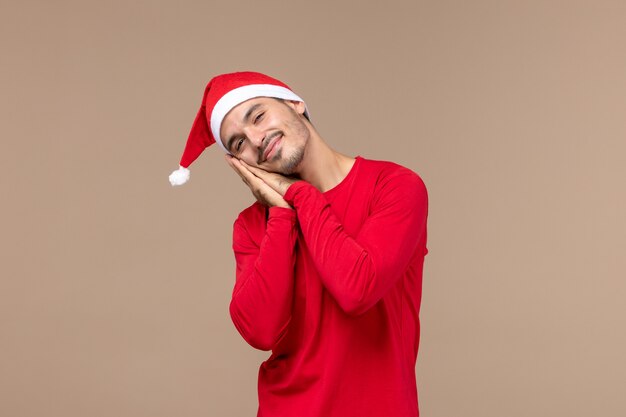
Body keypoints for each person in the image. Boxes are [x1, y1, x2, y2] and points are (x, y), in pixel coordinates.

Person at [169, 71, 429, 417]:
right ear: (239, 163)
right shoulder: (251, 226)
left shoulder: (394, 186)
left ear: (295, 103)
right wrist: (281, 214)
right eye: (239, 143)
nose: (257, 139)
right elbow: (260, 331)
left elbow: (357, 288)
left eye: (258, 116)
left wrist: (299, 195)